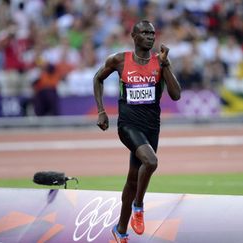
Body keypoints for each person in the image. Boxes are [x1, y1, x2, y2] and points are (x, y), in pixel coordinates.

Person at [93, 20, 181, 243]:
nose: (150, 36)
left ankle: (120, 231)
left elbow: (176, 95)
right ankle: (138, 206)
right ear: (133, 36)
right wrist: (102, 111)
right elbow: (98, 78)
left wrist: (166, 65)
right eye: (144, 32)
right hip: (128, 126)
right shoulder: (119, 60)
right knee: (151, 162)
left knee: (133, 180)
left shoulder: (159, 62)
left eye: (152, 33)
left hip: (152, 127)